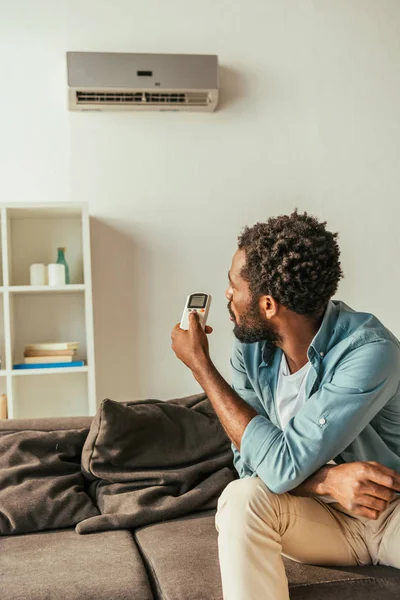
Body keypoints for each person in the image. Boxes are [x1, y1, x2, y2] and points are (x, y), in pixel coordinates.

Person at [171, 208, 400, 600]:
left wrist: (201, 368)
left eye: (234, 286)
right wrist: (327, 481)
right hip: (325, 516)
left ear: (268, 305)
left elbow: (279, 466)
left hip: (391, 511)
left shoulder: (369, 352)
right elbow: (249, 464)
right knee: (241, 500)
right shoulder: (250, 350)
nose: (227, 294)